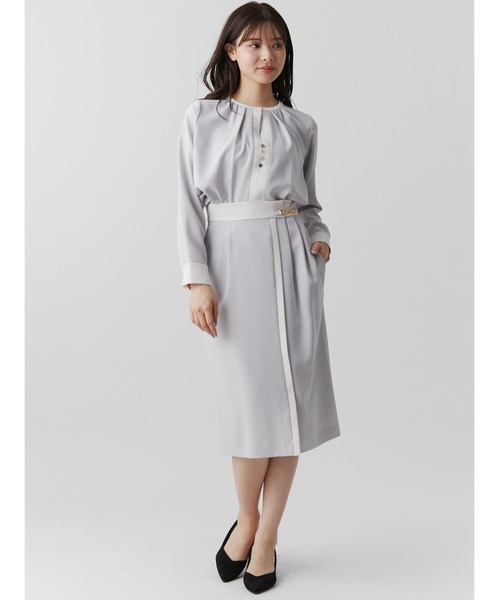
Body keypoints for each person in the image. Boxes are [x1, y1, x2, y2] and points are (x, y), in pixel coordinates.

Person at [176, 1, 341, 594]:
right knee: (249, 407)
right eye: (253, 44)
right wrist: (198, 278)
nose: (266, 55)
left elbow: (311, 203)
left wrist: (319, 240)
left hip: (294, 269)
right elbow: (187, 202)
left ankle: (267, 536)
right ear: (231, 50)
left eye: (276, 44)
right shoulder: (203, 117)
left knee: (289, 409)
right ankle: (246, 520)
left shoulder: (302, 126)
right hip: (231, 267)